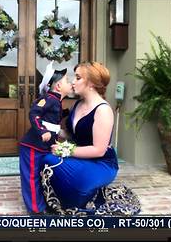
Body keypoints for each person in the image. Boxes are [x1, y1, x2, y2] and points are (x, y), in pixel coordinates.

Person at [41, 61, 140, 215]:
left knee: (53, 162)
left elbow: (98, 150)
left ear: (92, 83)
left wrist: (64, 150)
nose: (73, 82)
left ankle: (85, 195)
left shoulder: (103, 110)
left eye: (78, 78)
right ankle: (75, 195)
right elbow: (72, 136)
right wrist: (52, 129)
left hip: (101, 163)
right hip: (80, 157)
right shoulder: (78, 105)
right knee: (46, 159)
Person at [19, 62, 73, 214]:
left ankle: (45, 201)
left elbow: (53, 117)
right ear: (57, 87)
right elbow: (34, 113)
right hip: (32, 146)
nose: (71, 83)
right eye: (67, 81)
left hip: (44, 147)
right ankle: (36, 210)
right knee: (31, 177)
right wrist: (42, 131)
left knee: (42, 175)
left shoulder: (56, 101)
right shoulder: (48, 99)